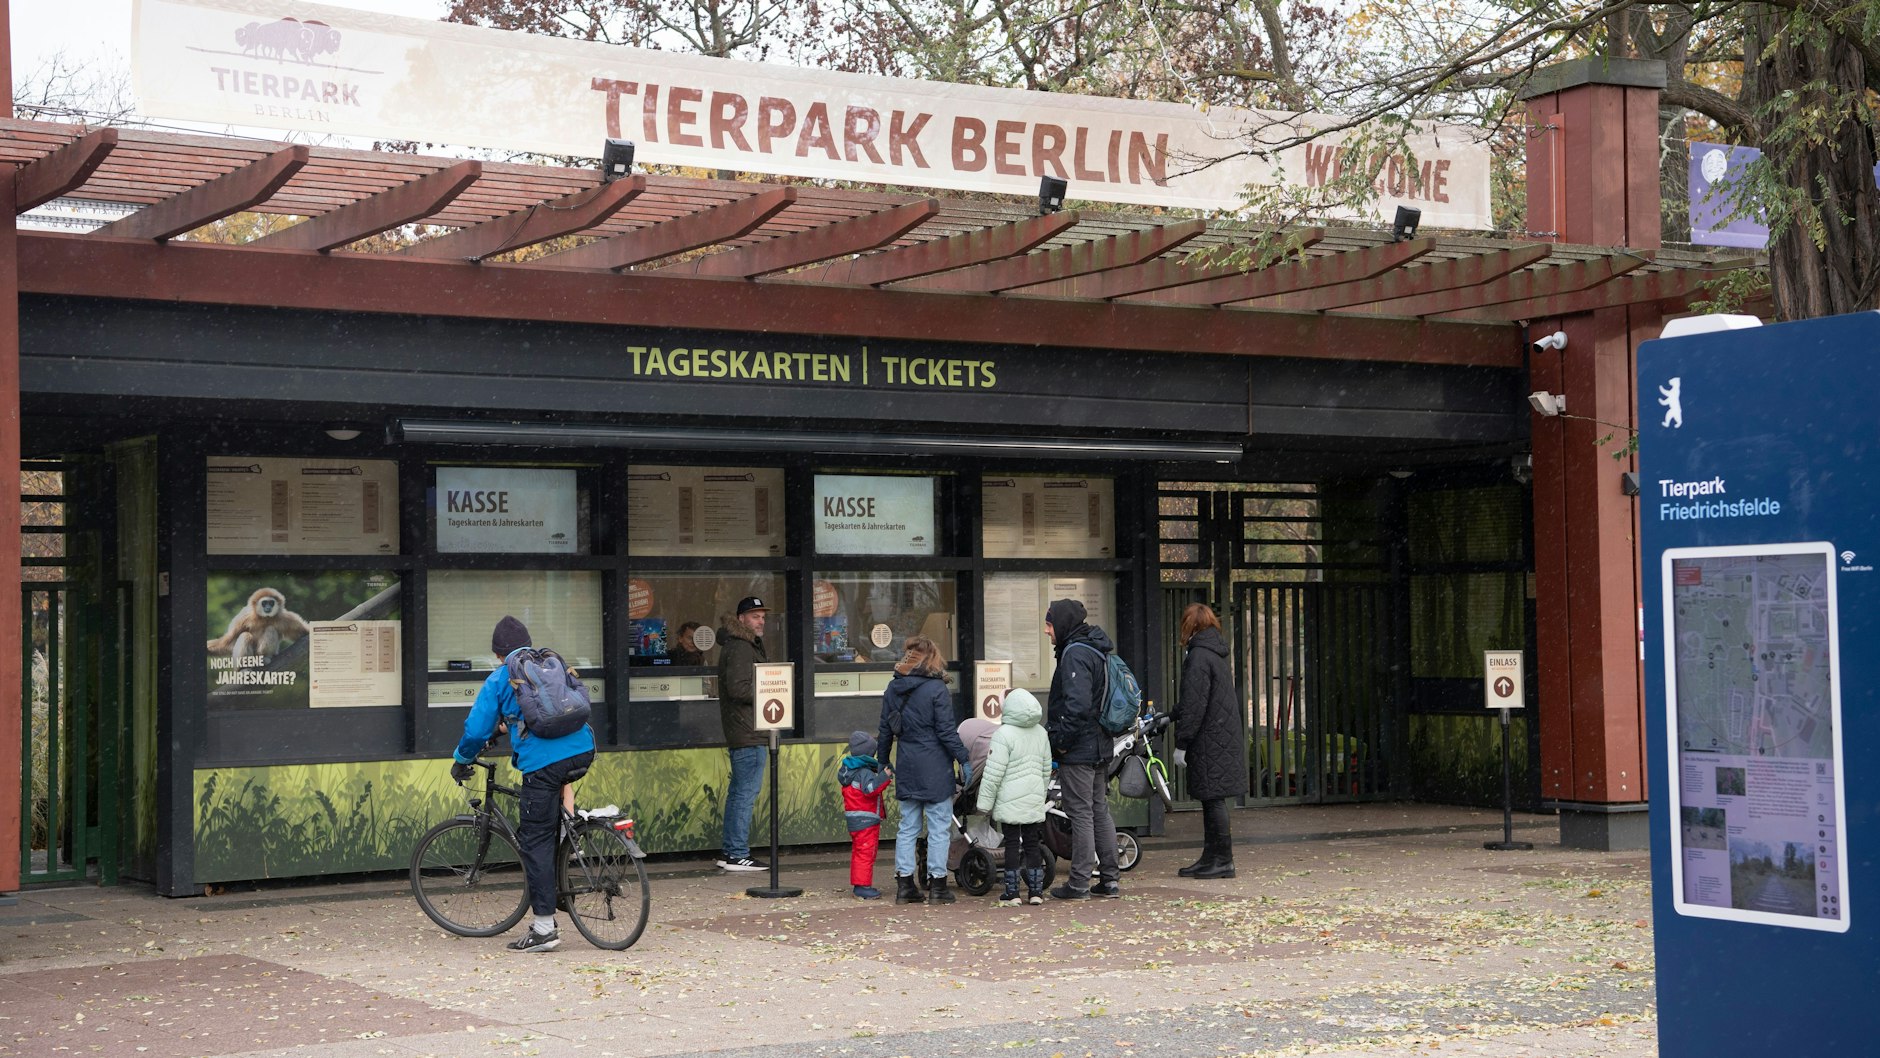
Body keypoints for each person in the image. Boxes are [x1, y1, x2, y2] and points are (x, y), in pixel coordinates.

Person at [450, 615, 596, 953]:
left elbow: (474, 730)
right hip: (583, 751)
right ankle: (568, 847)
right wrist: (503, 730)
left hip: (543, 764)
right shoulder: (550, 665)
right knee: (550, 818)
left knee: (535, 841)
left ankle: (544, 929)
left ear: (498, 654)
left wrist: (462, 758)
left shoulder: (503, 676)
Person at [877, 634, 970, 904]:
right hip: (935, 765)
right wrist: (963, 758)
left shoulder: (894, 688)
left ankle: (905, 886)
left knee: (908, 827)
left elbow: (885, 729)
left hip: (907, 762)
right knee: (940, 827)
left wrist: (883, 760)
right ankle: (938, 886)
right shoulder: (936, 689)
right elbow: (946, 731)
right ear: (932, 658)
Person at [1042, 598, 1121, 900]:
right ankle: (1110, 879)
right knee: (1099, 810)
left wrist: (1060, 743)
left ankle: (1078, 882)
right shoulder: (1093, 648)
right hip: (1099, 743)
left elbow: (1076, 706)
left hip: (1079, 748)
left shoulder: (1074, 654)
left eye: (1049, 624)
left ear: (1062, 623)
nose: (1046, 630)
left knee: (1080, 813)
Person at [1171, 603, 1245, 879]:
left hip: (1209, 740)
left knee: (1213, 800)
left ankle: (1223, 860)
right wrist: (1171, 716)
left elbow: (1194, 704)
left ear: (1190, 626)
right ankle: (1211, 857)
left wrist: (1182, 742)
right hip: (1219, 736)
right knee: (1211, 799)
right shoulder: (1214, 654)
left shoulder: (1199, 656)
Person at [975, 687, 1054, 905]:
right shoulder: (1041, 732)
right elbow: (1046, 768)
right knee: (1031, 844)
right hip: (1033, 795)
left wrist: (984, 803)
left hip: (1009, 798)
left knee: (1011, 843)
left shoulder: (1003, 734)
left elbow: (993, 772)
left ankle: (1012, 892)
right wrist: (1040, 791)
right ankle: (1036, 892)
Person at [716, 596, 771, 871]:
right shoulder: (740, 647)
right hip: (748, 731)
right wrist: (773, 691)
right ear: (741, 619)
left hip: (747, 729)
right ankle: (737, 853)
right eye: (754, 616)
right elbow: (738, 689)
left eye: (762, 616)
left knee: (739, 792)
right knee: (744, 794)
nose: (760, 621)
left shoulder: (742, 645)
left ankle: (731, 852)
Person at [837, 730, 893, 899]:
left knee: (859, 852)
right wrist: (885, 776)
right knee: (866, 853)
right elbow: (870, 790)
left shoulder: (849, 769)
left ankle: (859, 883)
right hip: (866, 820)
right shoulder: (864, 772)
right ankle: (862, 887)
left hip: (855, 819)